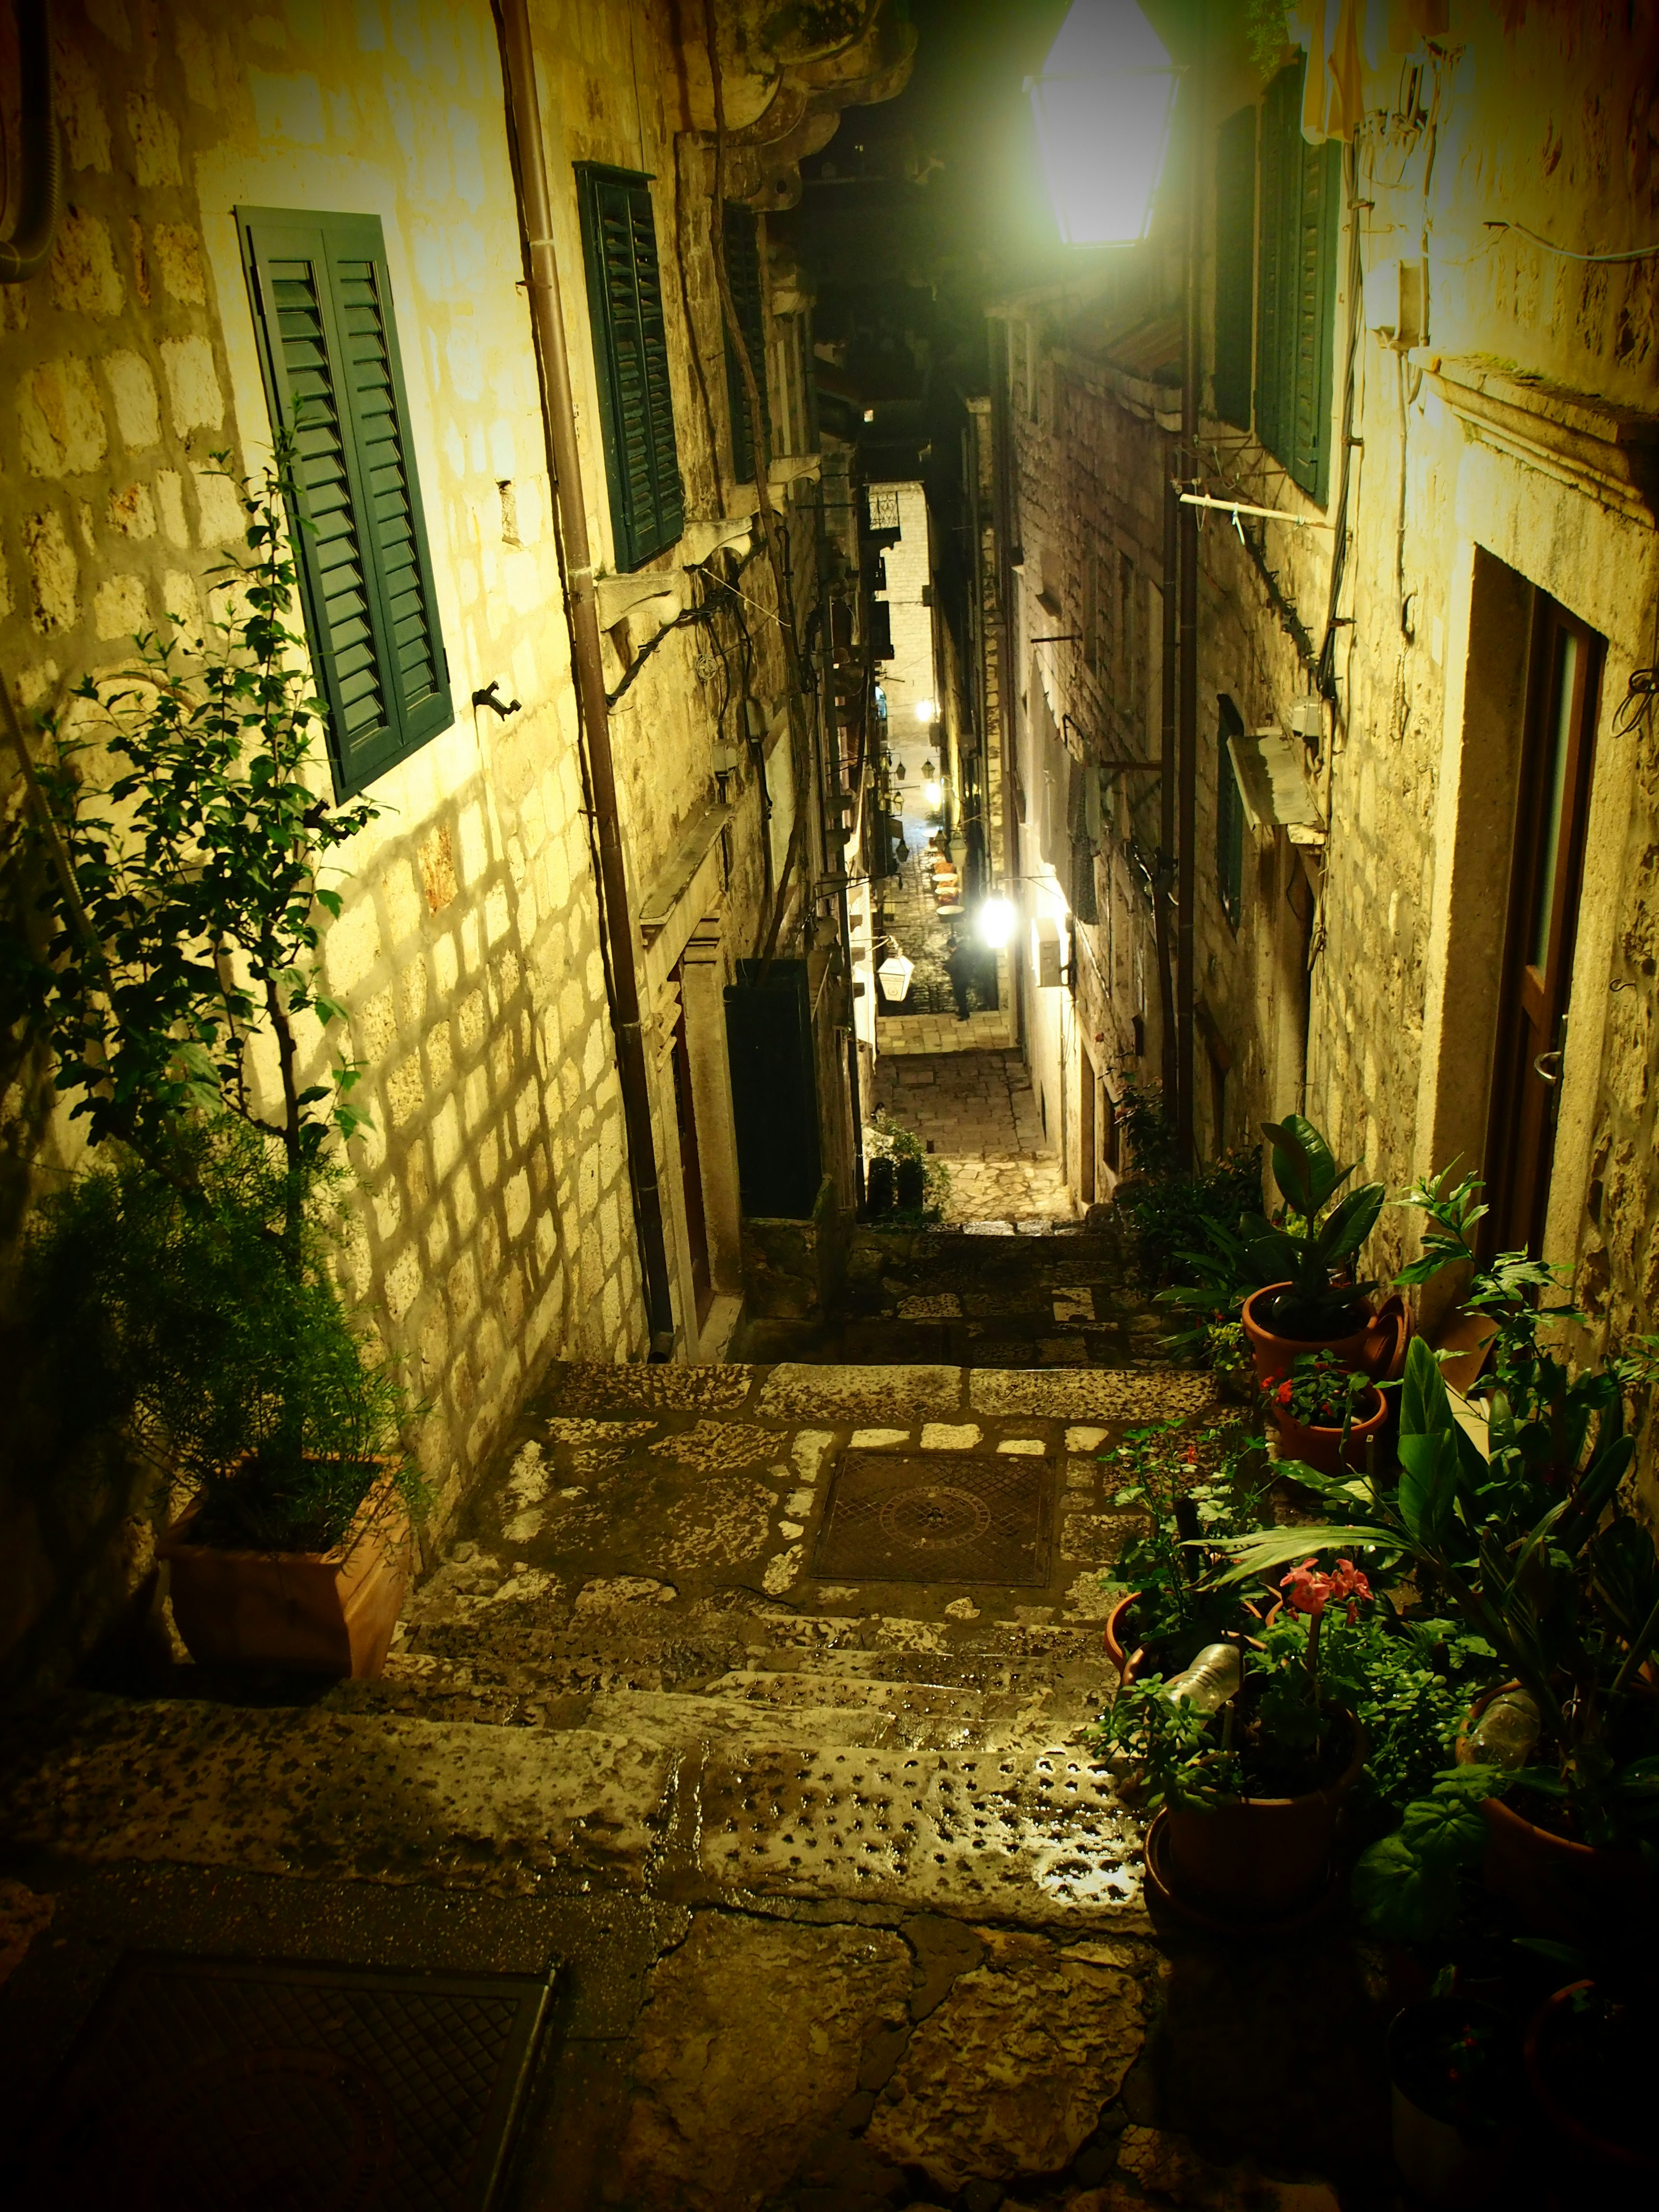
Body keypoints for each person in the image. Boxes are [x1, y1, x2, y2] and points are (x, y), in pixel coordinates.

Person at [944, 931, 973, 1022]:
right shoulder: (964, 952)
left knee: (960, 997)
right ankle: (962, 1011)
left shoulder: (955, 957)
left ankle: (965, 1014)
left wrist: (945, 967)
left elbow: (952, 969)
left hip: (959, 980)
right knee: (962, 996)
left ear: (950, 947)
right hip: (966, 977)